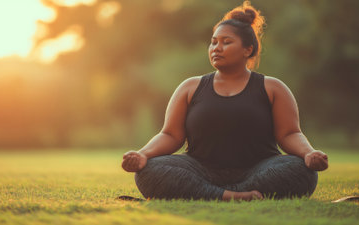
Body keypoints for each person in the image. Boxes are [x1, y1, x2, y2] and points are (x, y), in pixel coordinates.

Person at [121, 1, 329, 201]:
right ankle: (231, 196)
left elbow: (290, 134)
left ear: (248, 49)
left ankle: (213, 194)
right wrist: (142, 155)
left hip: (259, 170)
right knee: (148, 170)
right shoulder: (190, 87)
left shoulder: (273, 88)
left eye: (226, 42)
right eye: (213, 42)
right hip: (200, 170)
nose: (216, 48)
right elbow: (170, 135)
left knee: (302, 170)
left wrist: (309, 154)